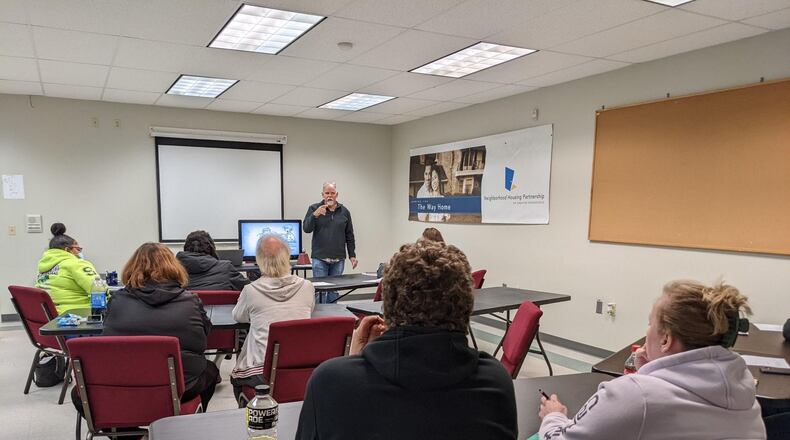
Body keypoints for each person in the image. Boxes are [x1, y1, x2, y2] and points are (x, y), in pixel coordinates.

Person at [295, 241, 518, 439]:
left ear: (388, 305)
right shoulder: (494, 383)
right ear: (466, 306)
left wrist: (353, 362)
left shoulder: (329, 382)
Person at [539, 280, 766, 440]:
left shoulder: (633, 396)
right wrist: (648, 374)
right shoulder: (746, 396)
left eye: (651, 324)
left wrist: (554, 416)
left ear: (666, 339)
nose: (648, 331)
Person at [90, 242, 218, 409]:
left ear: (132, 267)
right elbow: (203, 341)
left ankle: (125, 432)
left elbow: (107, 337)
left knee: (79, 395)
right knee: (210, 371)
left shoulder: (117, 301)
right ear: (174, 267)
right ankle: (186, 419)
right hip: (181, 386)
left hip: (124, 385)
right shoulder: (190, 301)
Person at [230, 234, 315, 404]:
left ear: (259, 260)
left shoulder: (251, 290)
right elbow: (309, 310)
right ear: (287, 258)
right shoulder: (307, 287)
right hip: (301, 368)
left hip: (262, 375)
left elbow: (238, 316)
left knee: (236, 378)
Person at [303, 181, 357, 303]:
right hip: (319, 258)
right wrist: (314, 215)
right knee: (320, 291)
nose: (329, 196)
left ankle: (334, 317)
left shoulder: (344, 212)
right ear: (322, 194)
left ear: (336, 195)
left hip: (338, 259)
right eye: (327, 193)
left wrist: (352, 255)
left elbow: (349, 234)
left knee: (334, 291)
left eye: (332, 193)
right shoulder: (313, 208)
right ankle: (319, 320)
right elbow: (306, 229)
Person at [35, 223, 100, 314]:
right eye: (78, 249)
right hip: (77, 314)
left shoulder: (42, 267)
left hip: (49, 316)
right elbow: (99, 290)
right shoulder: (77, 264)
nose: (79, 252)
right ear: (67, 250)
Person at [176, 230, 249, 291]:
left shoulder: (173, 272)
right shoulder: (226, 269)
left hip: (188, 308)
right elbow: (249, 290)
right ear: (211, 249)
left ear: (185, 249)